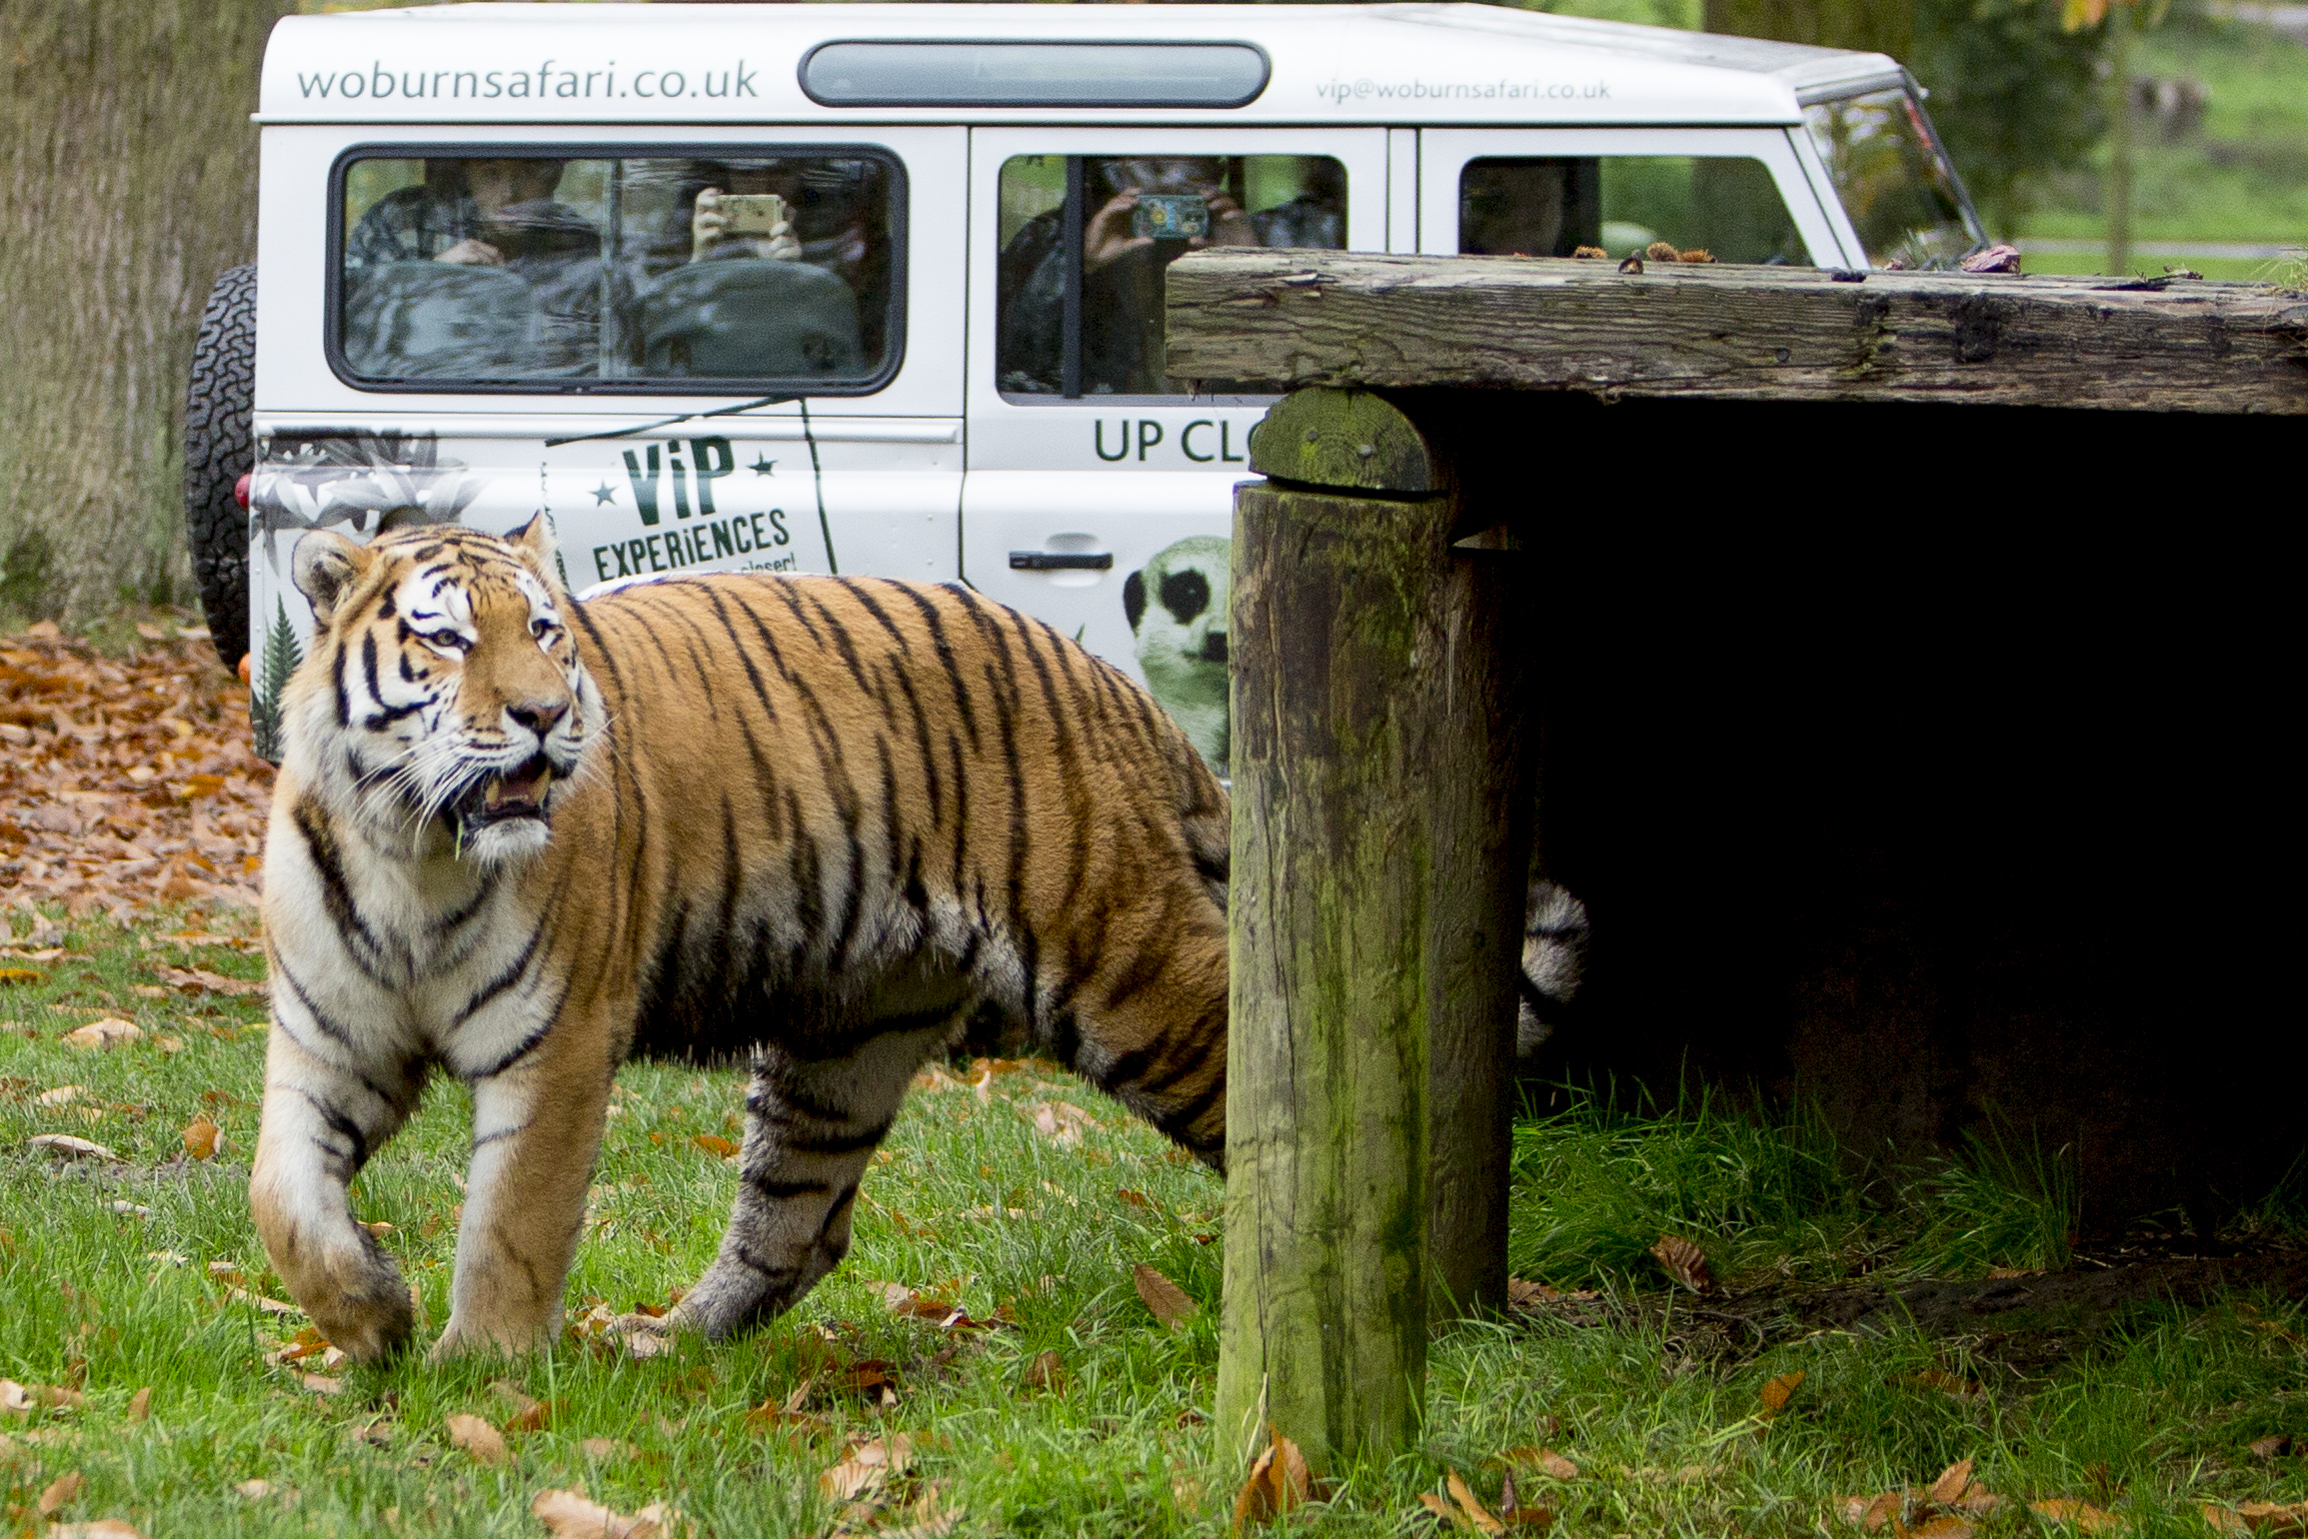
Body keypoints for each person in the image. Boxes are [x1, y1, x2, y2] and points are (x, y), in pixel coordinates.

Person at [996, 156, 1344, 396]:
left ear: (1216, 173)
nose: (1163, 187)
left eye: (1185, 173)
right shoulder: (1057, 239)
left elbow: (1327, 354)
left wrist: (1254, 266)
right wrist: (1077, 265)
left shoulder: (1277, 237)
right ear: (1109, 175)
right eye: (1141, 170)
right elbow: (1014, 362)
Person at [343, 158, 605, 374]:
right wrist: (431, 274)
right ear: (465, 178)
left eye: (527, 173)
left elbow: (595, 355)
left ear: (553, 176)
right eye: (490, 174)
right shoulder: (403, 220)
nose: (509, 194)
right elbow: (347, 316)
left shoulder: (578, 243)